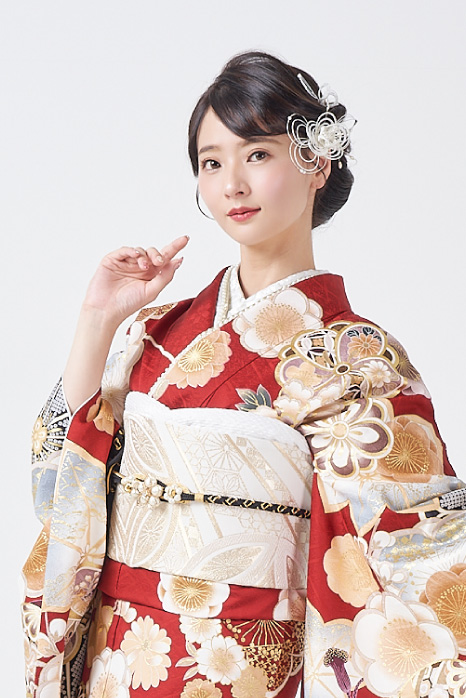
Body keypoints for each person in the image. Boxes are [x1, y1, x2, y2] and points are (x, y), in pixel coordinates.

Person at [22, 50, 466, 698]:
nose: (232, 183)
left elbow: (416, 549)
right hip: (118, 659)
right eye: (212, 162)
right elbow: (63, 482)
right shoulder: (157, 331)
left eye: (256, 154)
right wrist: (98, 319)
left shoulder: (358, 361)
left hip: (240, 663)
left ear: (317, 162)